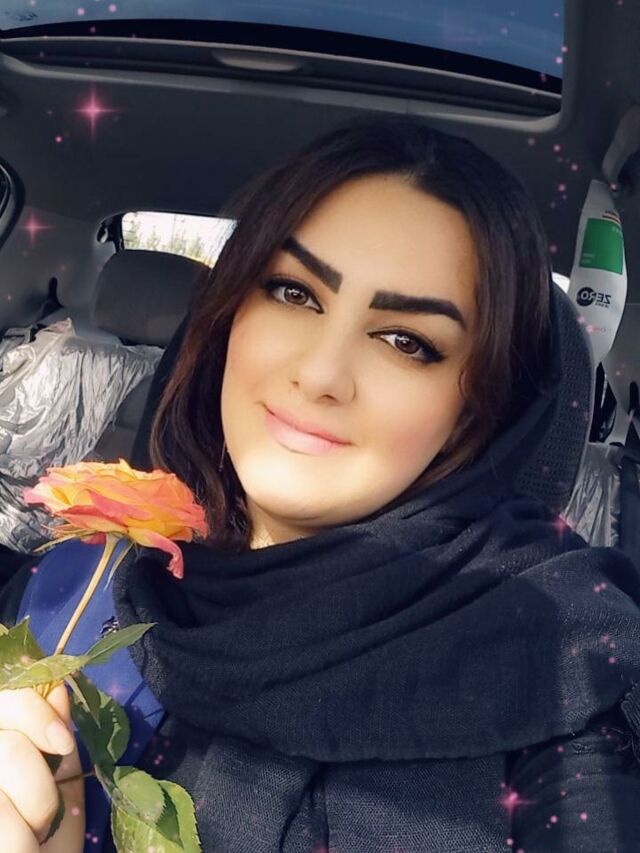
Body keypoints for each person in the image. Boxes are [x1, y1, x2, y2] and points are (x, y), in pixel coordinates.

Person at [1, 114, 640, 852]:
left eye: (407, 341)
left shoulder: (561, 672)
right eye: (293, 293)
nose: (320, 374)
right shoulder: (75, 584)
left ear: (475, 411)